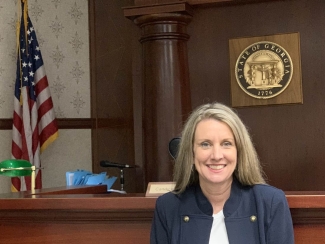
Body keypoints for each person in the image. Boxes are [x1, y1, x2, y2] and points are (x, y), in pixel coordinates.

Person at [150, 102, 294, 244]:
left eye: (226, 144)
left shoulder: (270, 202)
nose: (217, 155)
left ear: (239, 152)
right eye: (205, 144)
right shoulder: (168, 207)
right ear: (191, 153)